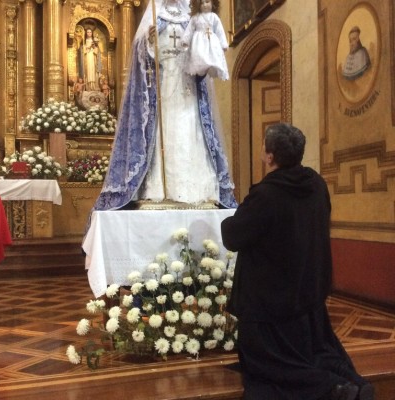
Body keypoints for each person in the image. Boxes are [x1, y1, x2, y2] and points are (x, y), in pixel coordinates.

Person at [221, 123, 374, 400]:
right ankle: (353, 382)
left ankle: (332, 387)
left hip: (269, 304)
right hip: (307, 295)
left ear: (269, 156)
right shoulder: (316, 184)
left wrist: (229, 219)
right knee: (317, 352)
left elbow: (232, 236)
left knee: (267, 364)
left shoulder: (265, 194)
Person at [92, 0, 236, 211]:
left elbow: (202, 46)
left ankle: (197, 190)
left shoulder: (191, 17)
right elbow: (141, 56)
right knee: (164, 131)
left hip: (188, 84)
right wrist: (149, 43)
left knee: (191, 130)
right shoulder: (154, 16)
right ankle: (158, 189)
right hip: (162, 87)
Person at [181, 0, 229, 80]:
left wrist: (223, 44)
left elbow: (219, 30)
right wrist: (186, 40)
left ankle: (211, 67)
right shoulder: (195, 17)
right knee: (199, 55)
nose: (204, 5)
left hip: (212, 41)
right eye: (201, 3)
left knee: (213, 55)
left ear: (213, 3)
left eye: (207, 2)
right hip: (199, 42)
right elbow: (190, 29)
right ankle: (201, 68)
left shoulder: (214, 16)